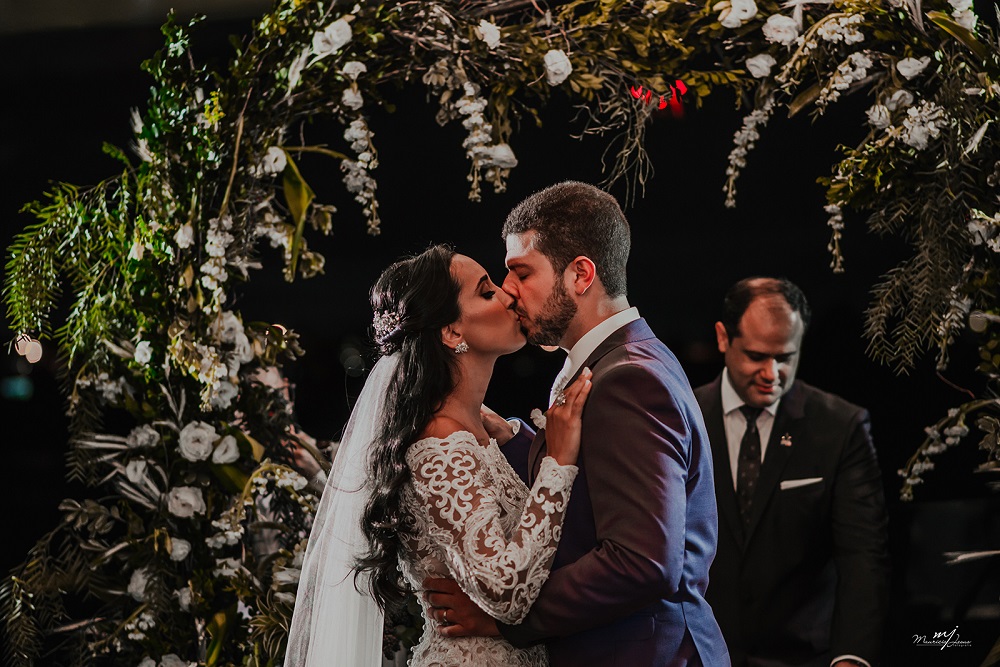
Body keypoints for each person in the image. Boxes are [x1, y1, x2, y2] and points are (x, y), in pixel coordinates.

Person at [424, 182, 729, 666]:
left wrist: (506, 619)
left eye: (521, 272)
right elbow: (599, 484)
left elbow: (642, 563)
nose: (508, 290)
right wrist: (520, 441)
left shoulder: (628, 379)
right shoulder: (623, 359)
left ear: (580, 274)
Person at [283, 244, 593, 667]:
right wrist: (558, 465)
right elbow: (504, 588)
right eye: (486, 293)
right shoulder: (439, 446)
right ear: (451, 332)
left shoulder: (477, 432)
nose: (508, 295)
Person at [693, 278, 890, 667]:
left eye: (786, 358)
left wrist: (851, 658)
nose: (772, 373)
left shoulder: (840, 426)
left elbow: (863, 556)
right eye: (756, 356)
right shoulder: (682, 418)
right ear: (722, 338)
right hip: (700, 654)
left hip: (803, 657)